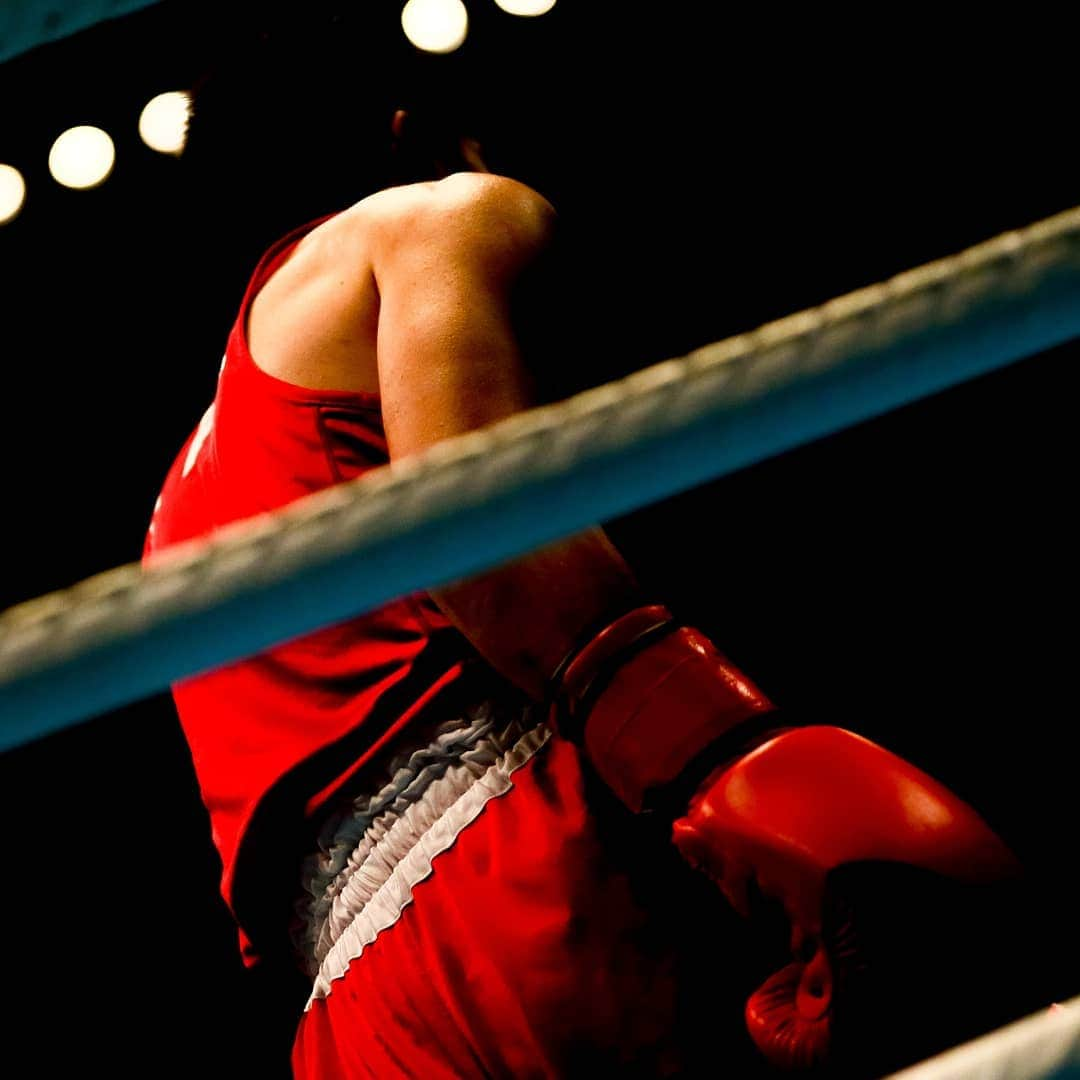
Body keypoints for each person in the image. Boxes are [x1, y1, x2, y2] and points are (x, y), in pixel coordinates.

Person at [145, 9, 1052, 1077]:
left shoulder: (178, 497)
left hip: (346, 1022)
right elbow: (481, 535)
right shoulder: (429, 221)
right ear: (414, 133)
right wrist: (723, 759)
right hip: (522, 887)